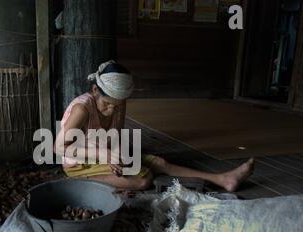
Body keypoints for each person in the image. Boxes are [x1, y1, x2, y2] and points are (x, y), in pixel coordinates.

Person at [54, 60, 254, 191]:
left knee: (159, 163)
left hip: (104, 154)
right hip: (78, 164)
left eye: (118, 105)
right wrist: (104, 156)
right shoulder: (82, 109)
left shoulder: (118, 105)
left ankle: (223, 179)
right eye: (107, 104)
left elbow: (114, 137)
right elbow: (59, 148)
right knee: (143, 179)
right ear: (95, 90)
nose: (112, 111)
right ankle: (80, 182)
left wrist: (116, 159)